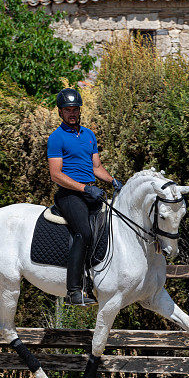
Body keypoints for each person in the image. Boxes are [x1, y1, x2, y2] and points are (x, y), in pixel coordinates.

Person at [47, 87, 122, 305]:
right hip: (70, 195)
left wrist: (112, 181)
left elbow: (96, 167)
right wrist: (84, 188)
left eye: (75, 109)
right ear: (60, 112)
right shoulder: (56, 138)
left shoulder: (89, 135)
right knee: (84, 232)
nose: (72, 113)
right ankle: (73, 291)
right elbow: (56, 174)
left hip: (90, 192)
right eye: (68, 110)